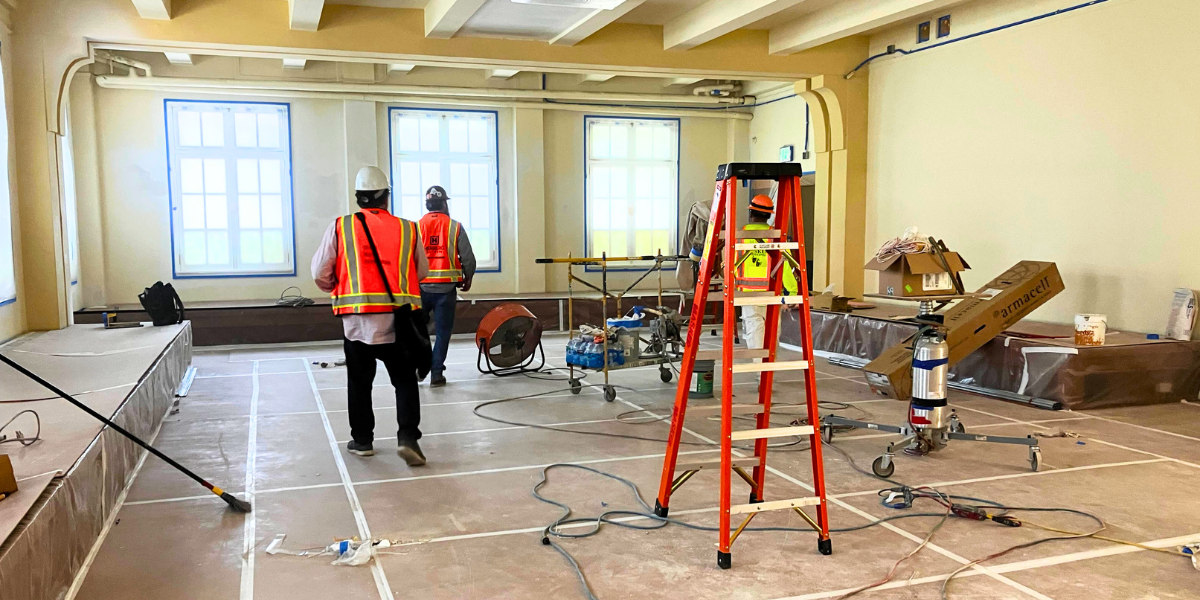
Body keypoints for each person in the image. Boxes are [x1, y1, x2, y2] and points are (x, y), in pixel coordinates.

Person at [312, 166, 430, 465]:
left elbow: (320, 272)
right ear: (386, 197)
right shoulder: (408, 228)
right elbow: (423, 272)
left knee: (359, 383)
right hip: (397, 323)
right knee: (404, 381)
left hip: (357, 323)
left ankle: (363, 440)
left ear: (358, 198)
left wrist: (336, 285)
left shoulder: (341, 226)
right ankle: (408, 438)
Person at [418, 185, 477, 388]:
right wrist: (467, 278)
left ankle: (420, 367)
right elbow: (468, 258)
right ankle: (436, 373)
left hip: (422, 288)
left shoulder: (416, 227)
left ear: (427, 205)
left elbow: (407, 258)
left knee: (420, 330)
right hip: (446, 290)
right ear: (444, 203)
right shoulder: (455, 227)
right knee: (443, 332)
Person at [736, 195, 799, 353]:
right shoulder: (777, 237)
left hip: (748, 296)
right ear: (769, 215)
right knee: (771, 333)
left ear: (751, 213)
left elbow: (729, 267)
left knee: (754, 332)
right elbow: (786, 265)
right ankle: (767, 372)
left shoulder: (739, 238)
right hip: (772, 294)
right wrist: (791, 292)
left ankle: (760, 372)